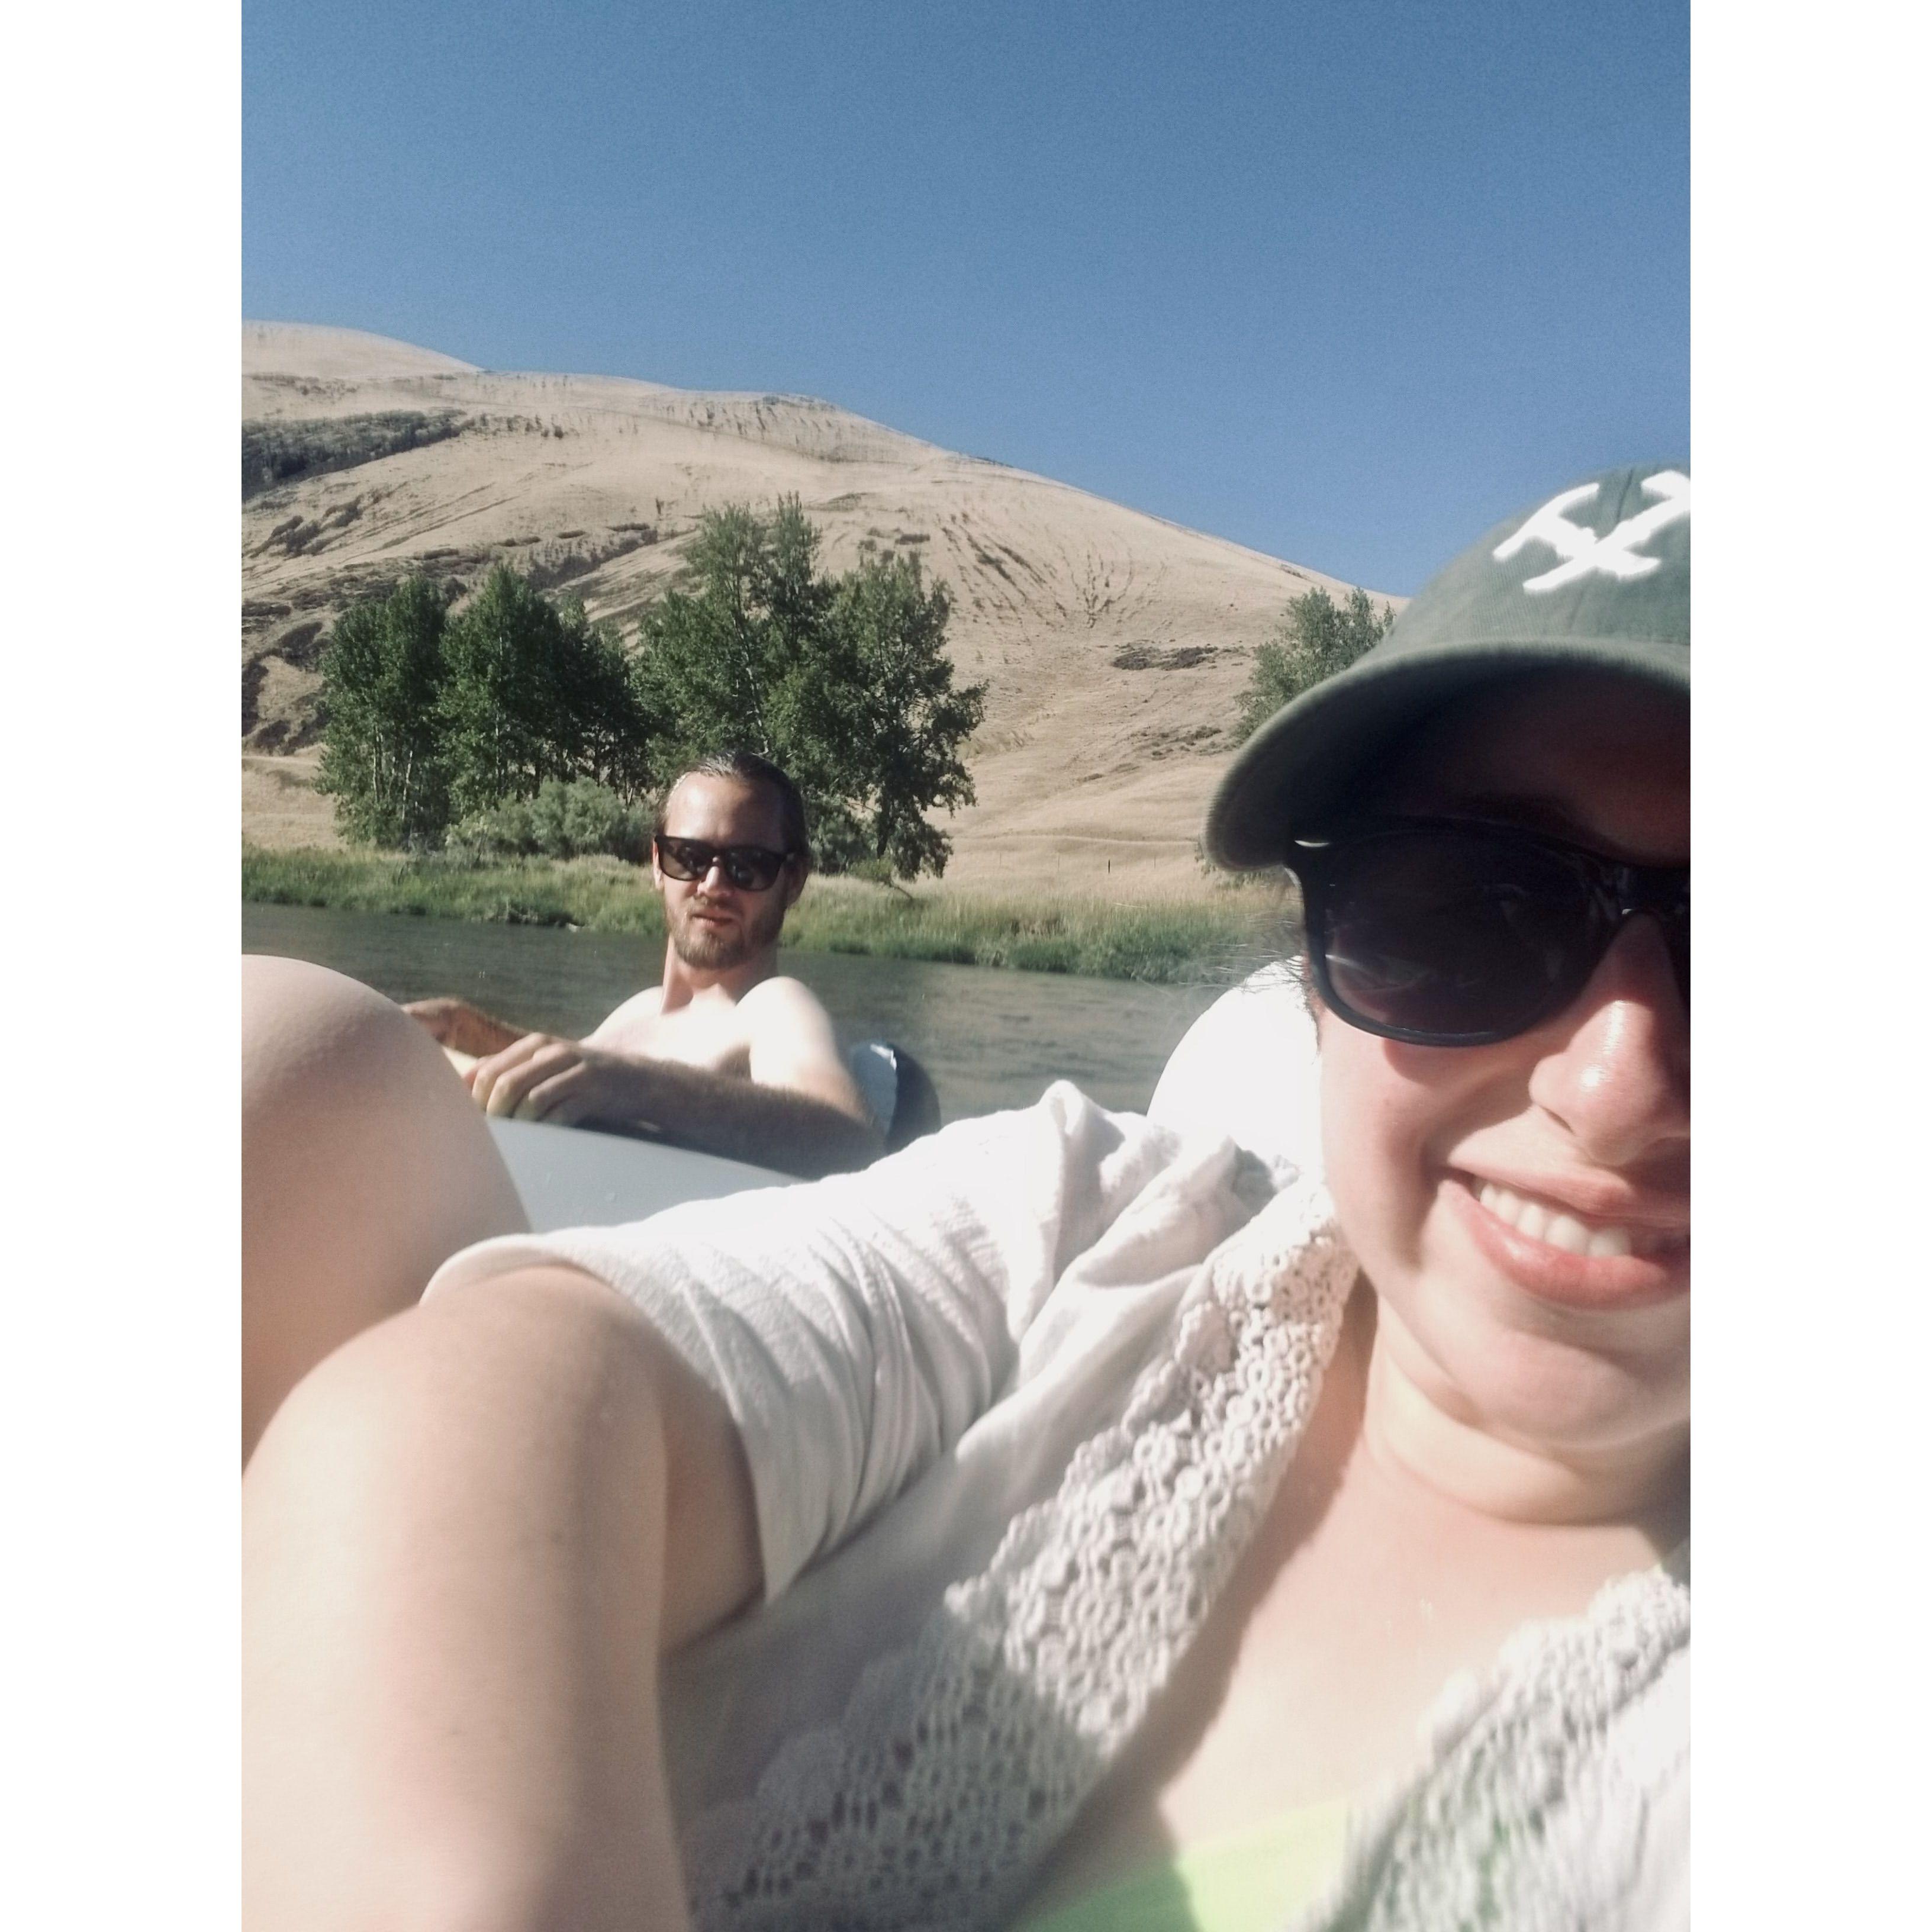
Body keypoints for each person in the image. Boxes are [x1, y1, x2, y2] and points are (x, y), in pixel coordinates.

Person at [243, 462, 1689, 1931]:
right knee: (277, 1048)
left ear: (792, 882)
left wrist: (615, 1087)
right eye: (1461, 915)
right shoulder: (1089, 1218)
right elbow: (499, 1385)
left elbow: (821, 1122)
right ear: (1316, 986)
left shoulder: (780, 1014)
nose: (1616, 1086)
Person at [405, 749, 884, 1177]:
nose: (713, 885)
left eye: (749, 865)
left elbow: (852, 1143)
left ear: (793, 880)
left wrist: (636, 1087)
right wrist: (465, 1029)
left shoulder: (774, 1007)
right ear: (658, 863)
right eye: (689, 857)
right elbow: (575, 1078)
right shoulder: (641, 1010)